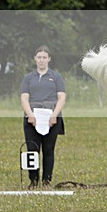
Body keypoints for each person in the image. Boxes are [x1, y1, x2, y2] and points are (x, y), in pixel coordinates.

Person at [20, 45, 66, 189]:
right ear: (35, 59)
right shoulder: (28, 78)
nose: (41, 60)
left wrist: (54, 115)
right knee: (32, 149)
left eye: (44, 57)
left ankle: (47, 180)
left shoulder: (56, 77)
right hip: (32, 119)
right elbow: (24, 98)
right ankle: (33, 180)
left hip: (51, 119)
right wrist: (30, 115)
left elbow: (62, 97)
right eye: (39, 57)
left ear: (49, 59)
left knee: (48, 149)